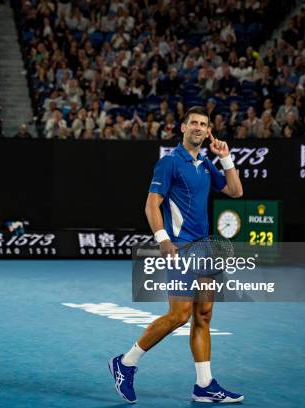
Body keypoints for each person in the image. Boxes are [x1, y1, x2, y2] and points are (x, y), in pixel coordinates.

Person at [110, 106, 244, 404]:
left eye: (204, 124)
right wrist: (163, 240)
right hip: (181, 248)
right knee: (179, 315)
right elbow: (151, 205)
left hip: (205, 249)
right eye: (193, 123)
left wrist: (225, 157)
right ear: (183, 128)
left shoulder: (207, 165)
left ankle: (204, 384)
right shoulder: (169, 163)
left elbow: (236, 191)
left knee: (203, 315)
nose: (198, 127)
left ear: (209, 131)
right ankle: (126, 362)